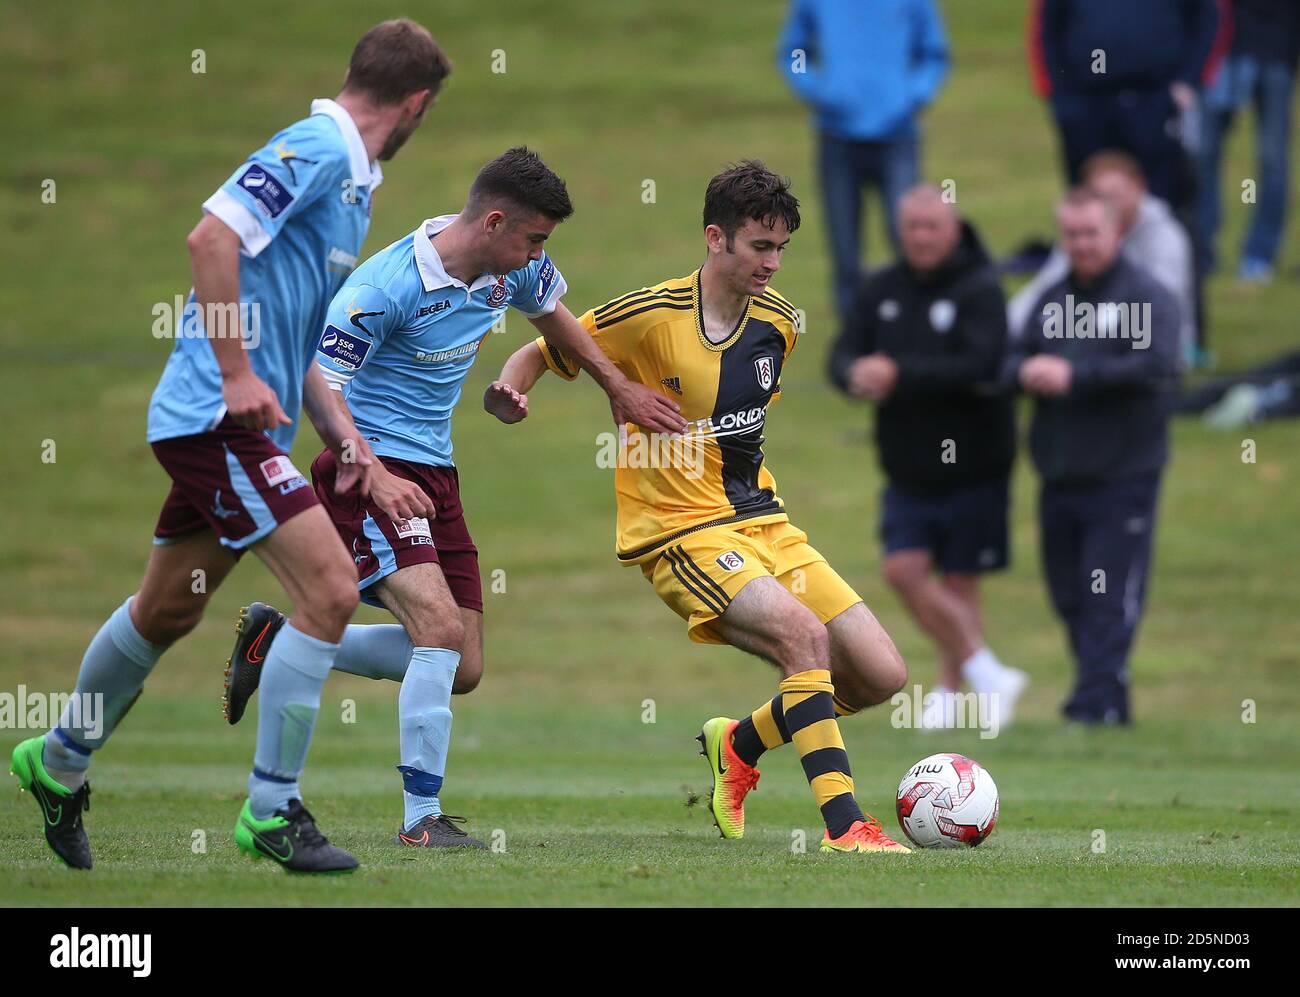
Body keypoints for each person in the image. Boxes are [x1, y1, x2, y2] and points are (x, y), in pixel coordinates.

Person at [7, 20, 452, 873]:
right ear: (416, 103)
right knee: (327, 587)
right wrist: (238, 371)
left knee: (167, 609)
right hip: (219, 420)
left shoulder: (355, 183)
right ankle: (271, 809)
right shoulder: (318, 147)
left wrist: (345, 438)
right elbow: (210, 238)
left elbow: (301, 334)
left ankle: (57, 761)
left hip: (239, 424)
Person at [218, 149, 686, 848]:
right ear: (494, 221)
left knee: (461, 664)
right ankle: (421, 822)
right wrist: (370, 471)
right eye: (533, 239)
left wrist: (615, 387)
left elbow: (555, 314)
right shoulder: (385, 285)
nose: (538, 256)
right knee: (437, 629)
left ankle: (280, 639)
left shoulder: (511, 267)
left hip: (437, 473)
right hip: (366, 468)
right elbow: (322, 384)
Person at [493, 162, 912, 854]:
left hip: (765, 524)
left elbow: (739, 436)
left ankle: (740, 742)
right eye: (759, 246)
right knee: (804, 641)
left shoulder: (779, 326)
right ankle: (847, 827)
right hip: (678, 532)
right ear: (715, 237)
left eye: (781, 248)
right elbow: (540, 349)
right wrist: (512, 393)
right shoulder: (647, 314)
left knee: (878, 675)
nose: (772, 263)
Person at [829, 185, 1026, 731]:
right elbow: (841, 354)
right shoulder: (880, 289)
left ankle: (951, 691)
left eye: (930, 226)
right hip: (907, 466)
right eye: (910, 226)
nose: (920, 236)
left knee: (960, 580)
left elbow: (981, 364)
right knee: (904, 570)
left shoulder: (981, 288)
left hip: (976, 462)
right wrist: (854, 375)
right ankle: (987, 672)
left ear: (954, 228)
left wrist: (898, 373)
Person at [1006, 189, 1181, 726]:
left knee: (1108, 592)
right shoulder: (1052, 298)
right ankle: (1108, 693)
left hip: (1124, 472)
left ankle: (1091, 705)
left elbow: (1160, 365)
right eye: (1072, 235)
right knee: (1068, 594)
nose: (1081, 245)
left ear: (1116, 233)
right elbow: (1011, 354)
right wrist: (1023, 371)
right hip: (1060, 473)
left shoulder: (1148, 297)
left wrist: (1076, 376)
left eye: (1091, 234)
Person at [777, 0, 949, 317]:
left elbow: (933, 54)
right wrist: (819, 91)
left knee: (911, 240)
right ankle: (854, 349)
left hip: (897, 137)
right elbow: (793, 52)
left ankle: (920, 333)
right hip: (837, 139)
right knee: (845, 253)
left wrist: (913, 95)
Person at [1009, 151, 1197, 365]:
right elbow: (1044, 289)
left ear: (1140, 188)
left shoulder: (1166, 238)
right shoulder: (1080, 234)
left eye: (1116, 194)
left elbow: (1160, 314)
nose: (1110, 204)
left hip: (1142, 344)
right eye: (1100, 195)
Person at [1030, 0, 1221, 204]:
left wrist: (1187, 79)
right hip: (1087, 100)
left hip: (1153, 96)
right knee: (1088, 193)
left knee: (1159, 195)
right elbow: (1046, 27)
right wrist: (1061, 95)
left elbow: (1207, 18)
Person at [1198, 0, 1300, 282]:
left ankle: (1260, 253)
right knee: (1204, 154)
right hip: (1221, 51)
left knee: (1272, 159)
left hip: (1275, 51)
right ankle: (1203, 248)